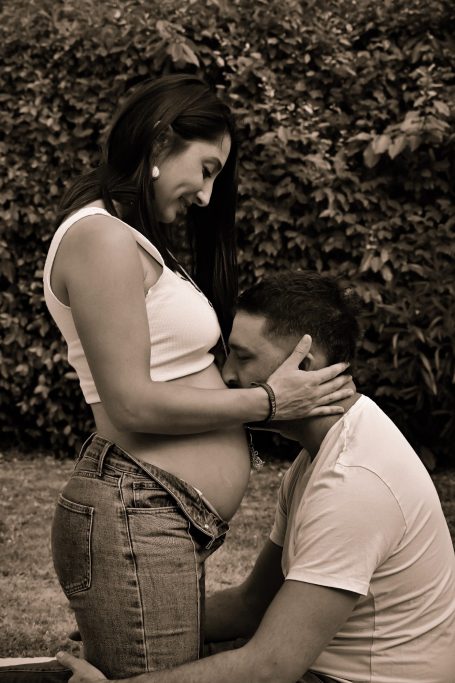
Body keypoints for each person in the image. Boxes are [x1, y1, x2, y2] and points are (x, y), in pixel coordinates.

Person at [39, 75, 354, 679]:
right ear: (161, 142)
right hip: (137, 511)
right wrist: (269, 402)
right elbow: (132, 405)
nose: (208, 196)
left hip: (157, 514)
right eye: (206, 169)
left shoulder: (126, 239)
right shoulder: (100, 238)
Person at [56, 271, 455, 683]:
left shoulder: (354, 480)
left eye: (243, 358)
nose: (227, 376)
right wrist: (131, 624)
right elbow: (252, 603)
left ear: (305, 365)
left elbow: (270, 668)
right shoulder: (322, 455)